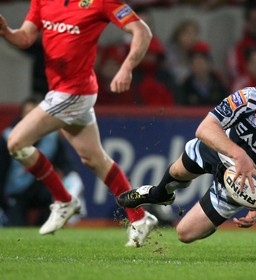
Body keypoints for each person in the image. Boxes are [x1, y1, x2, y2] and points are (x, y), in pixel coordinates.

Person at [0, 0, 158, 247]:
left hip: (74, 93)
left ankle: (64, 200)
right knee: (94, 159)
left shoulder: (100, 2)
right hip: (61, 90)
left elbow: (142, 31)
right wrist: (7, 33)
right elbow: (26, 37)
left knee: (16, 142)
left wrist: (127, 67)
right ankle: (139, 217)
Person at [117, 78, 256, 243]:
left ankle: (213, 221)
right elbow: (205, 128)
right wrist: (239, 155)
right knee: (177, 173)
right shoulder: (248, 97)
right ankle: (159, 194)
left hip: (241, 181)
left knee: (184, 234)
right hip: (220, 148)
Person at [0, 96, 86, 226]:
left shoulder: (52, 138)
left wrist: (73, 186)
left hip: (43, 191)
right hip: (16, 193)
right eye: (27, 114)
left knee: (51, 224)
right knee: (15, 227)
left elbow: (67, 166)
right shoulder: (9, 138)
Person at [178, 42, 228, 106]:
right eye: (196, 63)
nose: (199, 67)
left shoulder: (219, 85)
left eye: (202, 63)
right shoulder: (185, 88)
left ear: (209, 64)